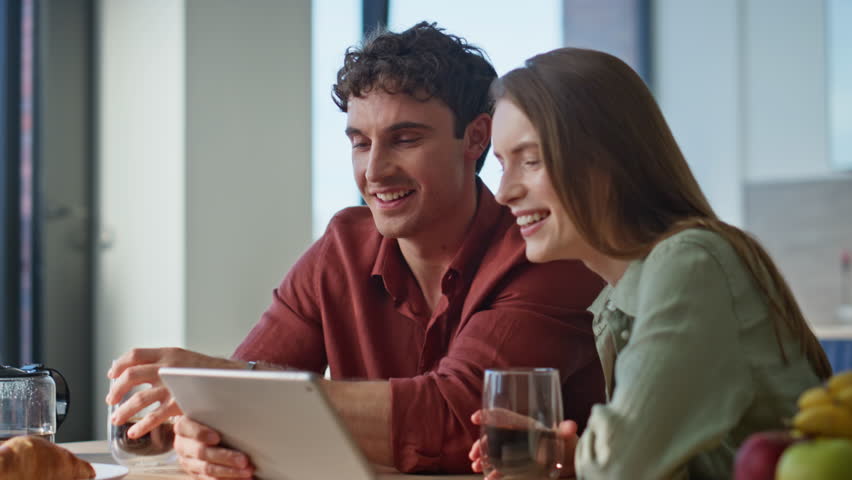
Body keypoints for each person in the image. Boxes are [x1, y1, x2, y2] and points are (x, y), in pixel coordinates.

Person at [106, 24, 606, 478]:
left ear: (476, 138)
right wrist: (207, 437)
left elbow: (456, 420)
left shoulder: (545, 254)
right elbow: (242, 399)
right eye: (360, 143)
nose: (374, 171)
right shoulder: (342, 246)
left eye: (405, 139)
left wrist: (230, 387)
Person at [468, 47, 832, 479]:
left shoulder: (690, 264)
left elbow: (622, 468)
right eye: (502, 165)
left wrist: (580, 458)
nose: (503, 192)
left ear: (606, 161)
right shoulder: (621, 296)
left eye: (530, 160)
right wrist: (570, 457)